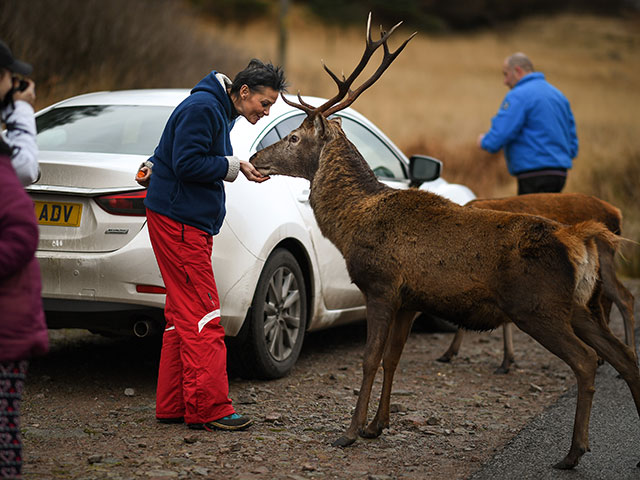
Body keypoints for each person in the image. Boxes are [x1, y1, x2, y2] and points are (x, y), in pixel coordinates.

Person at [137, 59, 286, 431]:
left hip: (183, 221)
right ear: (244, 92)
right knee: (203, 314)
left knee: (181, 315)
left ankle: (174, 404)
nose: (265, 112)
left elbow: (171, 153)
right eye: (264, 104)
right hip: (181, 224)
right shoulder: (204, 107)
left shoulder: (218, 108)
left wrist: (156, 168)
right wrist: (233, 166)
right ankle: (211, 409)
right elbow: (188, 163)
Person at [477, 52, 578, 195]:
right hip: (560, 174)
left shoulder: (518, 95)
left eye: (505, 74)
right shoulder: (558, 95)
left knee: (531, 217)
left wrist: (485, 141)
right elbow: (571, 136)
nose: (505, 81)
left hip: (533, 174)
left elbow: (502, 132)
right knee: (549, 216)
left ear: (517, 71)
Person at [0, 40, 39, 186]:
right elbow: (24, 169)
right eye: (11, 77)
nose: (12, 85)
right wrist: (21, 107)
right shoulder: (20, 109)